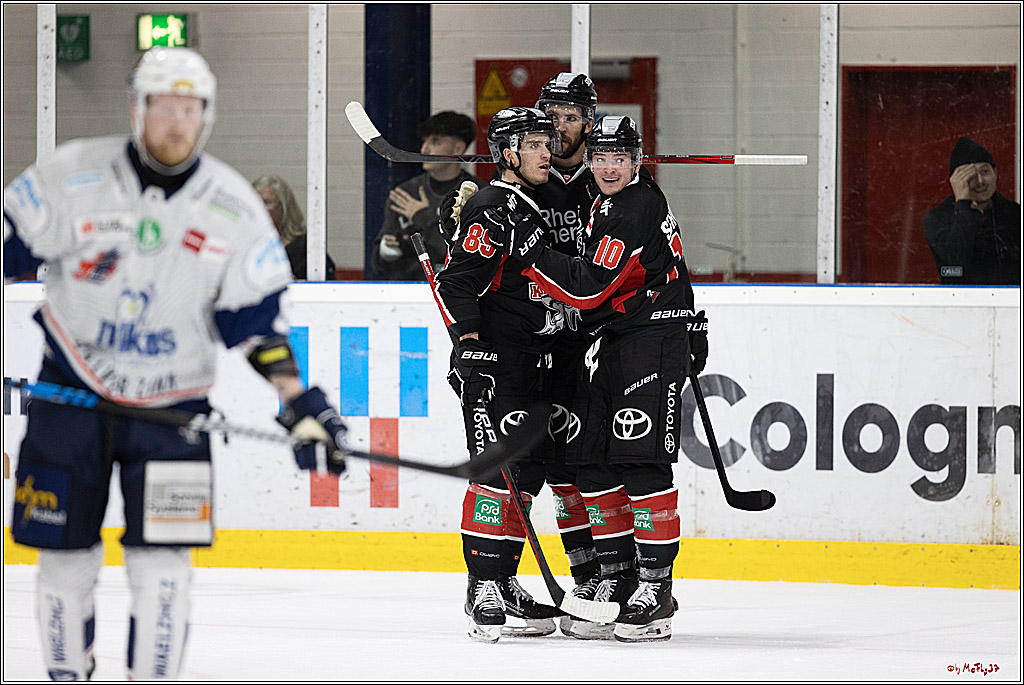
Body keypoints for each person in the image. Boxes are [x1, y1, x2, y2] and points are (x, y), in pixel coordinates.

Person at [3, 47, 349, 680]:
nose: (176, 122)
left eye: (189, 109)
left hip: (173, 411)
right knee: (63, 560)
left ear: (206, 116)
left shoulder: (234, 207)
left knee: (163, 573)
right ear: (138, 109)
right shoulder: (73, 173)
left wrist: (297, 402)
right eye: (164, 106)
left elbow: (254, 323)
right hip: (69, 398)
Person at [485, 115, 709, 643]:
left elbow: (587, 290)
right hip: (612, 342)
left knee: (641, 461)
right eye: (600, 157)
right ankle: (616, 576)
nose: (609, 167)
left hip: (649, 340)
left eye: (620, 158)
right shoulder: (609, 201)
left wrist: (528, 250)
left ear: (637, 161)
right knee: (591, 463)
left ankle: (656, 590)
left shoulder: (634, 207)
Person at [434, 107, 568, 643]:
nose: (545, 151)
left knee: (527, 477)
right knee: (496, 472)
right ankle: (483, 584)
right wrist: (469, 343)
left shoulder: (542, 200)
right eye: (533, 143)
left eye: (546, 142)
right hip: (498, 363)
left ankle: (505, 579)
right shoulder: (494, 207)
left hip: (541, 359)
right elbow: (457, 282)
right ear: (508, 153)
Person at [371, 111, 484, 280]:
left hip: (459, 292)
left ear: (458, 148)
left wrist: (421, 216)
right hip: (409, 292)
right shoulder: (407, 192)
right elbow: (377, 265)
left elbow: (468, 256)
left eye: (435, 142)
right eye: (424, 141)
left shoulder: (478, 194)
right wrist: (387, 252)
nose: (424, 149)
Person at [923, 137, 1021, 285]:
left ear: (995, 173)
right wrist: (963, 203)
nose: (980, 181)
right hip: (961, 303)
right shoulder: (938, 217)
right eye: (971, 175)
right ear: (956, 181)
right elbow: (956, 259)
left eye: (985, 171)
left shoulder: (1015, 214)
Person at [252, 174, 337, 281]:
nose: (261, 208)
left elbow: (328, 288)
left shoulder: (306, 248)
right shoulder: (247, 246)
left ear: (284, 206)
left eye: (267, 202)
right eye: (255, 202)